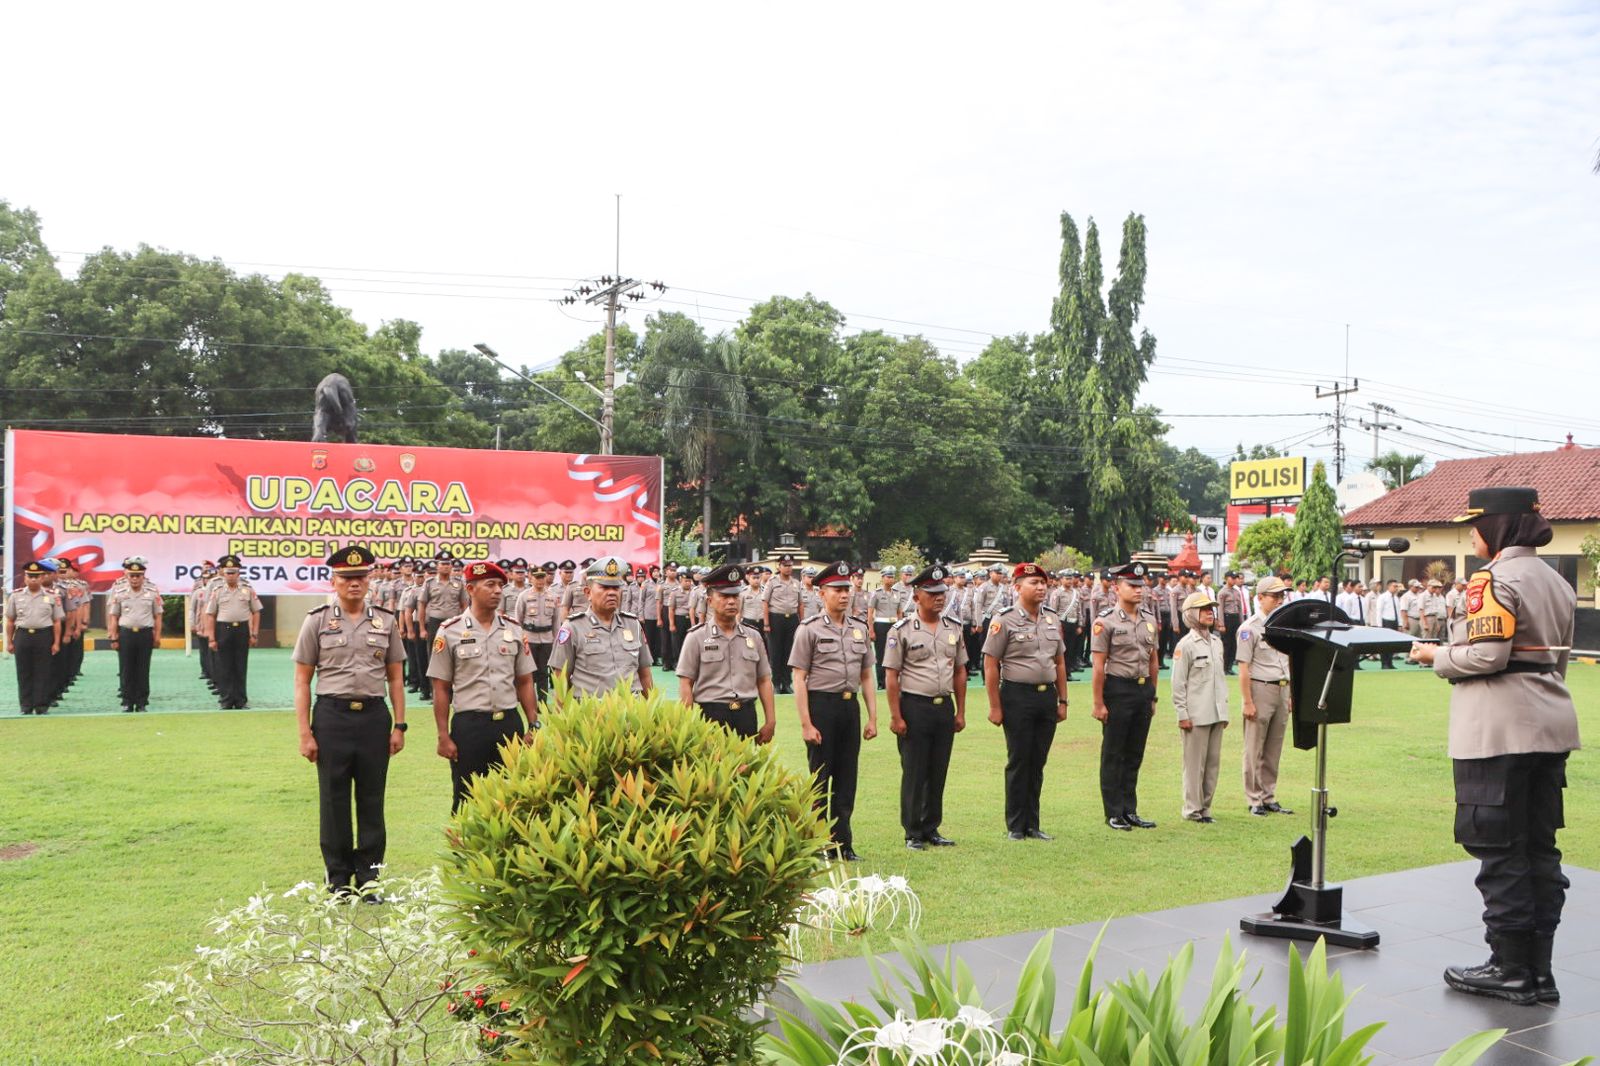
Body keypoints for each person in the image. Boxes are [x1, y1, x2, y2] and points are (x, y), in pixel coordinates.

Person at [1409, 487, 1580, 1006]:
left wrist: (1433, 655)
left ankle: (1508, 969)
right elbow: (1558, 660)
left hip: (1495, 731)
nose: (1472, 534)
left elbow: (1487, 656)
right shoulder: (1557, 580)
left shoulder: (1494, 581)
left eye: (1477, 525)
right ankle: (1538, 971)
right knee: (1538, 849)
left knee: (1501, 851)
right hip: (1549, 725)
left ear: (1499, 527)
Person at [292, 546, 408, 898]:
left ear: (369, 579)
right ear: (334, 580)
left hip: (373, 718)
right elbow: (302, 680)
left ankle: (370, 880)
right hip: (332, 718)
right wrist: (304, 732)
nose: (354, 583)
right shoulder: (316, 620)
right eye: (346, 577)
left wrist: (399, 725)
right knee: (333, 800)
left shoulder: (386, 621)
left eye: (360, 577)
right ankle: (339, 879)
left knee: (373, 800)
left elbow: (396, 679)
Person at [428, 560, 538, 812]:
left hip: (509, 725)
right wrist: (443, 736)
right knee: (466, 797)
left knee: (513, 797)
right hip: (470, 727)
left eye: (500, 585)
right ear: (470, 589)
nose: (498, 590)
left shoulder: (513, 629)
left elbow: (525, 681)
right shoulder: (450, 631)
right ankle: (464, 851)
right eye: (490, 585)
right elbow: (441, 688)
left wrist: (533, 724)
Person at [789, 560, 878, 861]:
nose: (844, 594)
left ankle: (843, 844)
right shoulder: (809, 629)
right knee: (819, 780)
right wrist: (805, 723)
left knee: (846, 779)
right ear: (821, 593)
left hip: (848, 708)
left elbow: (867, 675)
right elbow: (798, 678)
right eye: (837, 589)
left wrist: (873, 717)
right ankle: (817, 844)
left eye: (847, 589)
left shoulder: (859, 629)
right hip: (821, 706)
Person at [884, 565, 967, 851]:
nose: (939, 598)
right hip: (914, 706)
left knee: (938, 770)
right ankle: (913, 831)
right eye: (932, 593)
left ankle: (932, 826)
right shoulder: (902, 630)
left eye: (942, 592)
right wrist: (896, 715)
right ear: (917, 596)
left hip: (944, 706)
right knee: (915, 771)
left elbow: (959, 671)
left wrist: (960, 711)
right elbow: (891, 676)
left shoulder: (953, 628)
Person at [983, 562, 1069, 841]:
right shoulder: (1004, 620)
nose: (1041, 587)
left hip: (1046, 697)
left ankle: (1033, 823)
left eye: (1043, 583)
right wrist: (995, 706)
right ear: (1017, 587)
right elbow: (991, 664)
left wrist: (1063, 700)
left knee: (1038, 762)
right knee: (1019, 761)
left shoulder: (1052, 619)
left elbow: (1059, 661)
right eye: (1034, 583)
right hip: (1017, 696)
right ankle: (1016, 825)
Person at [1091, 562, 1160, 831]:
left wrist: (1152, 695)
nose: (1138, 590)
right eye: (1132, 586)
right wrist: (1098, 703)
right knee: (1114, 753)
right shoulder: (1105, 621)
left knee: (1134, 753)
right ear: (1117, 588)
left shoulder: (1149, 620)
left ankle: (1130, 810)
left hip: (1142, 691)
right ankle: (1113, 812)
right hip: (1118, 689)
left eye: (1141, 586)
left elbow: (1153, 660)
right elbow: (1099, 666)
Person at [676, 563, 777, 741]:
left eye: (735, 596)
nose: (731, 601)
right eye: (724, 596)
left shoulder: (753, 636)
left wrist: (771, 721)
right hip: (710, 716)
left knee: (746, 767)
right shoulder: (696, 637)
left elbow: (764, 680)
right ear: (710, 601)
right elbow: (686, 684)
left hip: (746, 714)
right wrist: (689, 723)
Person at [549, 556, 654, 699]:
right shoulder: (572, 628)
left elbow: (645, 675)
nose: (611, 592)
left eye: (616, 587)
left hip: (631, 712)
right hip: (591, 715)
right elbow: (561, 680)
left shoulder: (633, 625)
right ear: (588, 593)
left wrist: (652, 715)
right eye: (604, 587)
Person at [1237, 576, 1295, 817]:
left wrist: (1290, 694)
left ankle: (1269, 795)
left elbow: (1288, 661)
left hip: (1281, 688)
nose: (1280, 600)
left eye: (1282, 596)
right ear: (1260, 598)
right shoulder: (1249, 628)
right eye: (1275, 596)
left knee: (1273, 747)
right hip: (1260, 688)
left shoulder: (1283, 626)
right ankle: (1254, 799)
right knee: (1254, 747)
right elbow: (1243, 669)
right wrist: (1248, 701)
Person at [1172, 591, 1229, 823]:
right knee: (1194, 766)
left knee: (1212, 764)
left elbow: (1220, 679)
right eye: (1204, 609)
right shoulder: (1185, 645)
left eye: (1211, 609)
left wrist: (1224, 710)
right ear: (1191, 614)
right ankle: (1192, 810)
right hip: (1196, 714)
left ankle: (1206, 808)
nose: (1210, 613)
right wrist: (1182, 714)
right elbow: (1178, 684)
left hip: (1215, 712)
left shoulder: (1216, 642)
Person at [5, 561, 63, 715]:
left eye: (36, 576)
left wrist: (56, 642)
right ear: (25, 577)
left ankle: (41, 705)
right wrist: (9, 641)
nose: (33, 579)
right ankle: (26, 706)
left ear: (42, 577)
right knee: (24, 672)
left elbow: (57, 621)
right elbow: (10, 620)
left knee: (43, 672)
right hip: (23, 635)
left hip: (44, 635)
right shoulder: (16, 595)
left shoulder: (52, 596)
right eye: (30, 576)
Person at [207, 555, 261, 709]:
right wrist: (211, 637)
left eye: (234, 572)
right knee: (224, 667)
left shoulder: (248, 590)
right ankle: (226, 700)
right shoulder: (217, 591)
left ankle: (241, 700)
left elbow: (256, 612)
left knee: (240, 666)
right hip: (224, 629)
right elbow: (210, 615)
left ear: (239, 573)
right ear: (223, 573)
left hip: (242, 630)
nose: (231, 575)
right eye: (228, 572)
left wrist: (254, 633)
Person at [108, 560, 162, 713]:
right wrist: (113, 637)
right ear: (127, 576)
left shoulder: (152, 593)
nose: (135, 579)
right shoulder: (120, 593)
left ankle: (142, 702)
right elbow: (113, 616)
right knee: (126, 669)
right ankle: (127, 701)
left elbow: (158, 616)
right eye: (132, 575)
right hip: (126, 633)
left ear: (143, 576)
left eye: (138, 575)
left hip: (145, 634)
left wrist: (157, 636)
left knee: (143, 669)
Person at [515, 562, 561, 704]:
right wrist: (520, 639)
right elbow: (518, 619)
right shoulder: (523, 596)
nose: (540, 580)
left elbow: (556, 621)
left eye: (542, 577)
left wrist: (556, 642)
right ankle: (527, 701)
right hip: (529, 639)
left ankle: (542, 703)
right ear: (531, 579)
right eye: (537, 577)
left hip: (546, 639)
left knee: (543, 673)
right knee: (528, 673)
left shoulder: (552, 597)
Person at [762, 554, 804, 694]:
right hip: (776, 619)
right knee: (775, 652)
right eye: (785, 565)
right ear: (779, 567)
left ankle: (787, 683)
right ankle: (776, 684)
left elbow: (800, 604)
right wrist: (766, 623)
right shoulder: (772, 582)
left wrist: (802, 623)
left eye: (790, 565)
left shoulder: (796, 583)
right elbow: (765, 602)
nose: (788, 568)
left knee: (789, 652)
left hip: (792, 620)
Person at [868, 567, 902, 689]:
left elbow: (899, 613)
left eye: (892, 577)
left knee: (895, 654)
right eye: (888, 576)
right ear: (882, 578)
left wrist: (900, 627)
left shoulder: (897, 593)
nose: (890, 579)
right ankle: (882, 683)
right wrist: (871, 629)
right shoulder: (876, 593)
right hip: (880, 626)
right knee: (881, 654)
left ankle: (894, 680)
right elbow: (870, 612)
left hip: (893, 626)